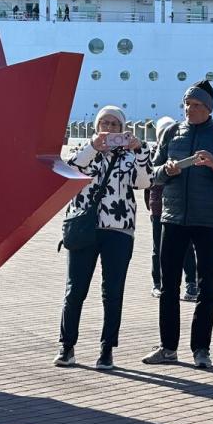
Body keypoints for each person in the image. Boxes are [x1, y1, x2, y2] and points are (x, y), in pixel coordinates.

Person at [142, 80, 213, 369]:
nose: (189, 108)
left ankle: (201, 349)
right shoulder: (173, 132)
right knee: (168, 286)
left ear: (208, 108)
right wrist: (167, 170)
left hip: (208, 220)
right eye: (186, 103)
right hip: (172, 218)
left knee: (206, 287)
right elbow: (153, 173)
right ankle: (167, 347)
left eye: (196, 104)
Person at [55, 106, 153, 370]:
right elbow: (70, 168)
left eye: (114, 125)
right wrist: (93, 146)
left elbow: (144, 182)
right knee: (75, 290)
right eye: (104, 123)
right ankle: (67, 346)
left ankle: (107, 349)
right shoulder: (85, 152)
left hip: (118, 230)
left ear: (122, 129)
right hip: (84, 228)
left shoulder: (131, 156)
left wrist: (140, 148)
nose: (108, 129)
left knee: (113, 292)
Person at [147, 116, 197, 300]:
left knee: (187, 247)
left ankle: (192, 283)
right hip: (159, 208)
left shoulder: (183, 151)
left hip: (181, 208)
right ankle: (158, 283)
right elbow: (149, 180)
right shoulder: (153, 153)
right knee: (158, 248)